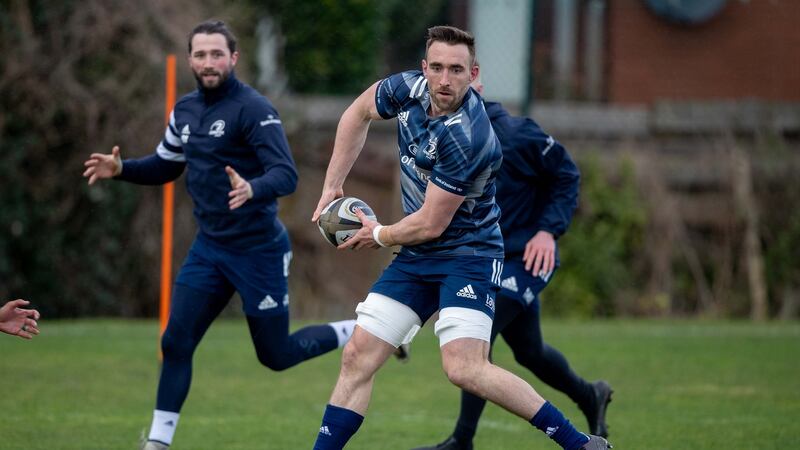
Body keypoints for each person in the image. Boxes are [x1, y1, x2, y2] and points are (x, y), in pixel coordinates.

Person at [309, 26, 610, 450]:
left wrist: (375, 234)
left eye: (455, 69)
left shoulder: (470, 135)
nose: (444, 79)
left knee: (464, 368)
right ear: (423, 69)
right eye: (436, 68)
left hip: (467, 255)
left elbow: (431, 223)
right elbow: (357, 113)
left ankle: (581, 444)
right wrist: (332, 186)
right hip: (417, 256)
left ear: (474, 73)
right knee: (357, 356)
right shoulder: (406, 90)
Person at [82, 20, 357, 450]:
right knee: (175, 341)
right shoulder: (185, 110)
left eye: (216, 54)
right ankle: (158, 441)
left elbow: (285, 175)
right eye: (200, 54)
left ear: (233, 58)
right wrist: (123, 170)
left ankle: (356, 331)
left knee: (275, 356)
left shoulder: (254, 109)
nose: (208, 63)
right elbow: (167, 164)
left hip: (258, 250)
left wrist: (253, 188)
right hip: (210, 249)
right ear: (190, 59)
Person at [410, 75, 613, 450]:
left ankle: (462, 441)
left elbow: (566, 175)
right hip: (487, 260)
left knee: (475, 338)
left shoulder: (518, 135)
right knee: (530, 352)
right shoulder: (445, 142)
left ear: (477, 86)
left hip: (527, 257)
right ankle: (589, 394)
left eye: (459, 76)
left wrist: (547, 231)